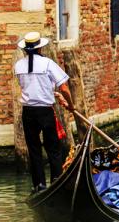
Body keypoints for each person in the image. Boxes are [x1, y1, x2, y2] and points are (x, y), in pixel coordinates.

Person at [15, 32, 75, 193]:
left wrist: (51, 92)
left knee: (34, 149)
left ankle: (39, 185)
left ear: (26, 50)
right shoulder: (47, 63)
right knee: (53, 148)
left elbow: (29, 87)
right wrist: (71, 105)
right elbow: (64, 87)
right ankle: (56, 182)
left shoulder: (18, 66)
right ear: (40, 48)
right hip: (44, 112)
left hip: (28, 112)